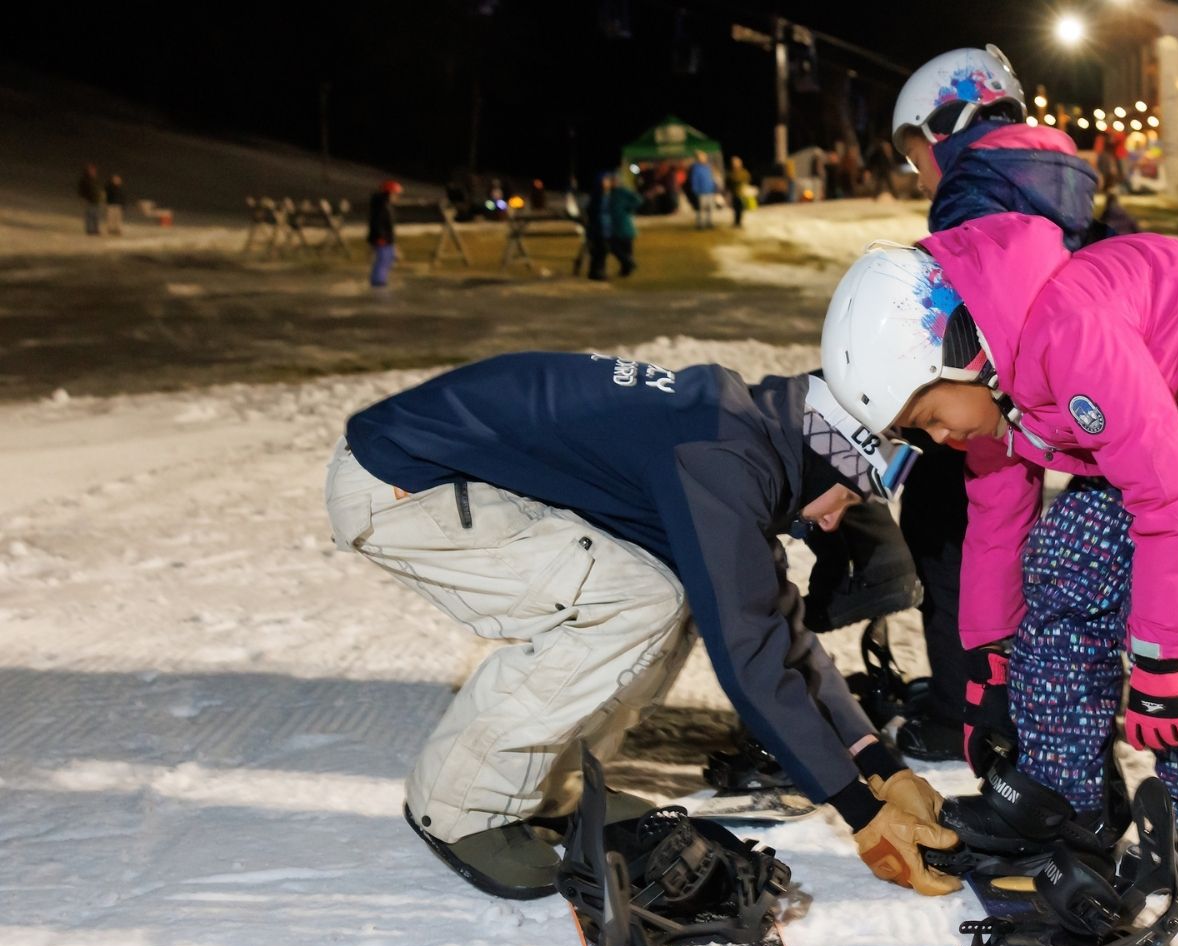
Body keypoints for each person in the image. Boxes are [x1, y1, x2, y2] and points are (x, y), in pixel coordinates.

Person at [821, 213, 1178, 873]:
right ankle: (1067, 799)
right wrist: (990, 662)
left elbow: (1170, 499)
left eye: (929, 417)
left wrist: (1159, 669)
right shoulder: (993, 381)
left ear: (959, 355)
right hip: (1169, 407)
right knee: (1062, 566)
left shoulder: (1068, 337)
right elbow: (997, 520)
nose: (941, 439)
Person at [326, 352, 959, 899]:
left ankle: (547, 785)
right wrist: (859, 811)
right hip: (403, 483)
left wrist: (880, 765)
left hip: (453, 474)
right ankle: (463, 807)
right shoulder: (722, 455)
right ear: (828, 456)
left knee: (669, 593)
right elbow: (751, 661)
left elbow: (777, 628)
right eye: (846, 497)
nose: (830, 522)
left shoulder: (748, 442)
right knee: (635, 602)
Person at [828, 43, 1099, 761]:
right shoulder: (1044, 171)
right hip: (1034, 397)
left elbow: (943, 323)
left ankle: (963, 704)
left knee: (949, 531)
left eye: (917, 154)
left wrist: (882, 454)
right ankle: (979, 692)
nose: (917, 176)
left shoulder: (976, 185)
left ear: (949, 124)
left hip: (987, 403)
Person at [605, 172, 642, 278]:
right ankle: (627, 265)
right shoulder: (608, 193)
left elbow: (638, 200)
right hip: (615, 225)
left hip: (623, 225)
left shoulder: (622, 192)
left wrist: (628, 208)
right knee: (617, 247)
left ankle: (627, 267)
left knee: (624, 249)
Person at [367, 180, 401, 288]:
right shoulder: (381, 207)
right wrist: (381, 237)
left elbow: (388, 226)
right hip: (382, 239)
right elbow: (377, 224)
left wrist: (393, 244)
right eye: (395, 195)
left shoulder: (386, 206)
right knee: (383, 260)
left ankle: (380, 280)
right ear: (389, 194)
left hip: (387, 239)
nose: (397, 197)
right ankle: (378, 282)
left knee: (388, 259)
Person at [584, 172, 613, 281]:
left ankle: (598, 271)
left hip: (604, 227)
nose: (608, 183)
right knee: (600, 250)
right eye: (606, 181)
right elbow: (594, 212)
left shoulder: (605, 195)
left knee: (602, 250)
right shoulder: (598, 196)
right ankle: (597, 272)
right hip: (599, 228)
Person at [688, 150, 718, 229]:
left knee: (710, 208)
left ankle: (709, 222)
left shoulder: (708, 167)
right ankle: (700, 223)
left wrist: (714, 188)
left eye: (704, 156)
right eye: (701, 157)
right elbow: (694, 179)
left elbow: (712, 178)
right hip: (701, 192)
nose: (703, 158)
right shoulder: (696, 168)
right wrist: (695, 190)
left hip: (710, 191)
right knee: (701, 209)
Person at [77, 164, 103, 236]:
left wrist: (101, 197)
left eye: (94, 171)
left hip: (96, 200)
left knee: (96, 216)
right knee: (89, 215)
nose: (93, 172)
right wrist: (83, 199)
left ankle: (95, 229)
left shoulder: (95, 179)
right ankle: (90, 230)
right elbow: (81, 190)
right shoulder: (84, 180)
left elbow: (98, 189)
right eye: (91, 170)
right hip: (89, 200)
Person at [727, 155, 751, 228]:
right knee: (735, 209)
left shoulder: (744, 172)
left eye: (737, 162)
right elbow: (728, 182)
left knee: (741, 209)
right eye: (734, 163)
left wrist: (743, 185)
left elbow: (747, 179)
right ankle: (736, 222)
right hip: (734, 194)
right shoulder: (731, 173)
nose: (735, 164)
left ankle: (739, 222)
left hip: (742, 194)